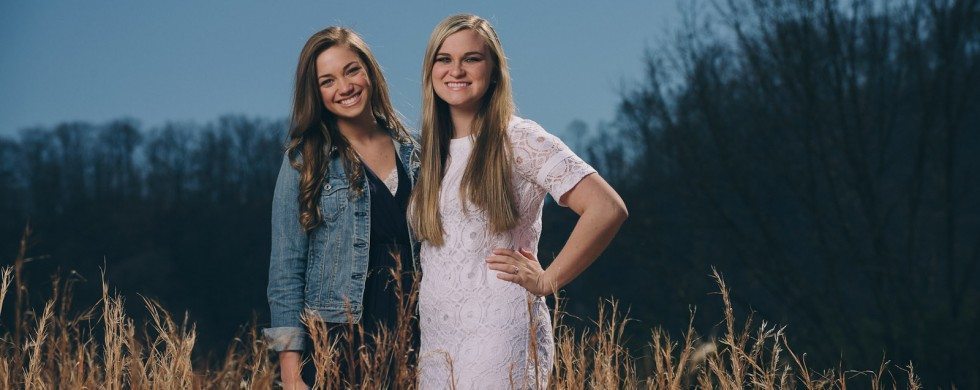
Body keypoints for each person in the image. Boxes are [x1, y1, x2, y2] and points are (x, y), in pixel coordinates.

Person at [410, 14, 629, 389]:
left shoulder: (519, 138)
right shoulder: (428, 153)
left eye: (472, 59)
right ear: (431, 69)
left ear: (493, 70)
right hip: (437, 339)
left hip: (498, 332)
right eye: (444, 59)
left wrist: (547, 281)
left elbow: (607, 208)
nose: (456, 70)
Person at [264, 26, 420, 389]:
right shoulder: (304, 161)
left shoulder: (417, 154)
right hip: (337, 337)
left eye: (352, 70)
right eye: (327, 81)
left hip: (416, 330)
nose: (344, 87)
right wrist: (290, 372)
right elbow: (285, 270)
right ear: (315, 93)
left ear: (370, 72)